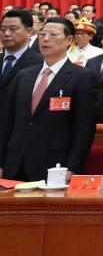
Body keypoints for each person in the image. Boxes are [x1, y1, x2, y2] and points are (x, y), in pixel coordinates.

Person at [0, 17, 96, 181]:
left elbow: (84, 129)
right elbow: (7, 122)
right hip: (14, 164)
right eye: (42, 34)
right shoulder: (23, 76)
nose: (45, 39)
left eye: (53, 34)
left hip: (55, 166)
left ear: (69, 40)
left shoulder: (82, 77)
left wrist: (73, 168)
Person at [0, 9, 44, 117]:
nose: (6, 34)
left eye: (13, 29)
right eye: (2, 29)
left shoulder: (41, 63)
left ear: (29, 32)